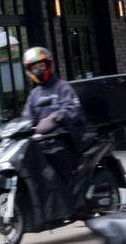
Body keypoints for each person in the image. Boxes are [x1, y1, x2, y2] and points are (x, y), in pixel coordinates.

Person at [21, 46, 85, 181]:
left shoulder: (63, 87)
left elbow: (72, 110)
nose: (38, 70)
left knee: (57, 154)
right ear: (29, 71)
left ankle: (68, 192)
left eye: (41, 66)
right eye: (34, 68)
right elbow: (27, 118)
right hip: (44, 139)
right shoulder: (34, 95)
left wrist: (57, 117)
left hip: (66, 136)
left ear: (49, 65)